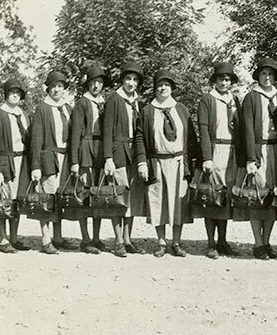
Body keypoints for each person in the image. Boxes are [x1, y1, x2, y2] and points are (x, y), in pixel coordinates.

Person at [135, 69, 199, 257]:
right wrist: (141, 162)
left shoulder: (181, 109)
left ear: (172, 88)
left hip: (179, 162)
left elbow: (192, 138)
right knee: (158, 201)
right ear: (155, 88)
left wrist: (194, 163)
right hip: (157, 163)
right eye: (160, 85)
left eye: (167, 85)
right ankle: (161, 242)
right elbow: (139, 137)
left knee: (179, 202)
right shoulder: (147, 111)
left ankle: (176, 243)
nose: (163, 88)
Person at [234, 58, 277, 260]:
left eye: (270, 74)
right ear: (258, 76)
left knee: (272, 196)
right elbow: (247, 130)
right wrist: (251, 158)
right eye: (263, 74)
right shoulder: (252, 97)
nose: (267, 77)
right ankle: (257, 243)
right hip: (259, 149)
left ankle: (267, 240)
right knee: (256, 195)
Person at [28, 71, 80, 254]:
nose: (57, 89)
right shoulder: (43, 109)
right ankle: (45, 239)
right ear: (47, 88)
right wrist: (35, 166)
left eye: (60, 86)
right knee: (47, 198)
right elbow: (35, 140)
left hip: (64, 158)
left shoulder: (68, 108)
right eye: (53, 86)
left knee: (61, 199)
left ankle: (58, 237)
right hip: (49, 159)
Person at [194, 62, 242, 259]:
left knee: (227, 197)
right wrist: (207, 157)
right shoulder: (207, 99)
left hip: (231, 151)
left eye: (228, 79)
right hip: (215, 150)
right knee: (212, 196)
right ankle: (211, 242)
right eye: (221, 79)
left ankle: (223, 241)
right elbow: (203, 130)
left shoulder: (235, 101)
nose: (224, 82)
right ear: (215, 81)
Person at [101, 62, 149, 257]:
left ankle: (128, 239)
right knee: (118, 197)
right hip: (118, 152)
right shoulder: (114, 100)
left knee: (132, 198)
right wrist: (108, 158)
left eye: (135, 80)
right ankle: (118, 240)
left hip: (134, 153)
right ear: (122, 80)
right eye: (128, 79)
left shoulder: (139, 103)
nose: (131, 83)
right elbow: (107, 131)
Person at [0, 78, 32, 253]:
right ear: (6, 95)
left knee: (17, 200)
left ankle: (14, 237)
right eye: (12, 92)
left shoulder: (24, 115)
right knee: (3, 200)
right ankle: (3, 239)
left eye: (18, 93)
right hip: (6, 162)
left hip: (22, 161)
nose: (15, 95)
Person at [69, 65, 112, 254]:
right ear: (88, 84)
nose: (96, 86)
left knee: (98, 195)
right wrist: (75, 161)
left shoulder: (104, 103)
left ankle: (96, 237)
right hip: (85, 150)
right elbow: (75, 133)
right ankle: (85, 239)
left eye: (100, 83)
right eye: (93, 82)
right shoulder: (82, 103)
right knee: (85, 195)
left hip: (100, 150)